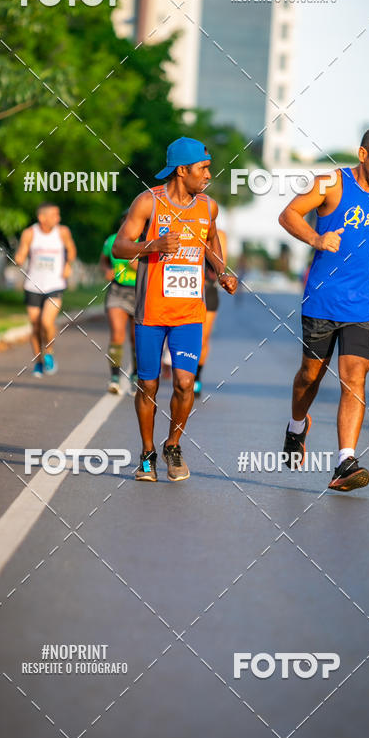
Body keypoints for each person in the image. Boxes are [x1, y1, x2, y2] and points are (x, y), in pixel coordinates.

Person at [278, 128, 369, 492]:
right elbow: (288, 215)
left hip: (366, 303)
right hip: (323, 298)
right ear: (363, 154)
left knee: (355, 377)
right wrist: (316, 238)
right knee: (310, 376)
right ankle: (296, 427)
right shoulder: (330, 184)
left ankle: (345, 462)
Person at [112, 136, 238, 482]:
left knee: (185, 383)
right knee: (148, 385)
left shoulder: (208, 207)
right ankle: (147, 453)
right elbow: (120, 246)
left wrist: (221, 272)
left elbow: (210, 242)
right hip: (151, 312)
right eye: (203, 168)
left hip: (189, 313)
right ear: (182, 170)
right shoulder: (148, 202)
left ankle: (173, 444)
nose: (209, 174)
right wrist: (153, 245)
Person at [14, 203, 76, 377]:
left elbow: (71, 250)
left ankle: (48, 351)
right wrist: (19, 259)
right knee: (35, 326)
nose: (58, 218)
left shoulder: (62, 232)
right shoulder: (30, 233)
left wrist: (68, 264)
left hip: (55, 284)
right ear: (42, 217)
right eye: (55, 215)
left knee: (47, 322)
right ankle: (38, 362)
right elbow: (22, 253)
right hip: (32, 285)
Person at [100, 212, 138, 394]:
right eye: (126, 222)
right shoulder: (112, 240)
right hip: (117, 291)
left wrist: (139, 266)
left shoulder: (146, 241)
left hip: (140, 292)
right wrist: (107, 270)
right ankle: (114, 378)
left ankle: (136, 375)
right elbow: (103, 261)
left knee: (136, 338)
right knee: (117, 333)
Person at [195, 229, 228, 397]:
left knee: (203, 338)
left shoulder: (219, 235)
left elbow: (221, 264)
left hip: (207, 289)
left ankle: (196, 377)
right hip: (183, 289)